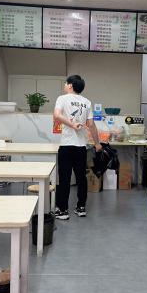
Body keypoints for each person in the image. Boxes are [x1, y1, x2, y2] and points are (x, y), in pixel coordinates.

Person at [52, 75, 102, 220]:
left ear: (70, 85)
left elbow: (57, 115)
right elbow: (91, 125)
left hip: (67, 145)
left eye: (65, 83)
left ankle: (62, 210)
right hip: (81, 146)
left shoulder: (62, 98)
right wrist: (97, 143)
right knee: (81, 178)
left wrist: (72, 125)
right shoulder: (87, 102)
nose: (64, 85)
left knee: (64, 178)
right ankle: (81, 208)